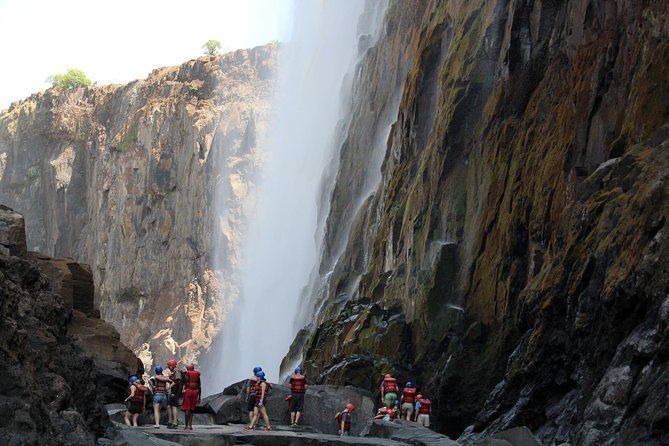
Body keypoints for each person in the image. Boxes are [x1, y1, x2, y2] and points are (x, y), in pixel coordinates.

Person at [181, 363, 201, 431]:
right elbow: (199, 386)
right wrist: (199, 397)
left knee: (187, 409)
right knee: (192, 409)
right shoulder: (197, 374)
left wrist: (182, 374)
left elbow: (183, 381)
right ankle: (190, 425)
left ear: (187, 368)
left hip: (188, 391)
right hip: (195, 392)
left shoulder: (187, 374)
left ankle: (186, 426)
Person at [166, 359, 182, 429]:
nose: (168, 367)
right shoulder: (173, 373)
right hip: (173, 391)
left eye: (169, 366)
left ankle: (175, 423)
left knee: (174, 406)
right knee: (169, 406)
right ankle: (170, 421)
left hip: (175, 392)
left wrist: (173, 393)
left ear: (172, 366)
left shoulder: (177, 372)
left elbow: (178, 383)